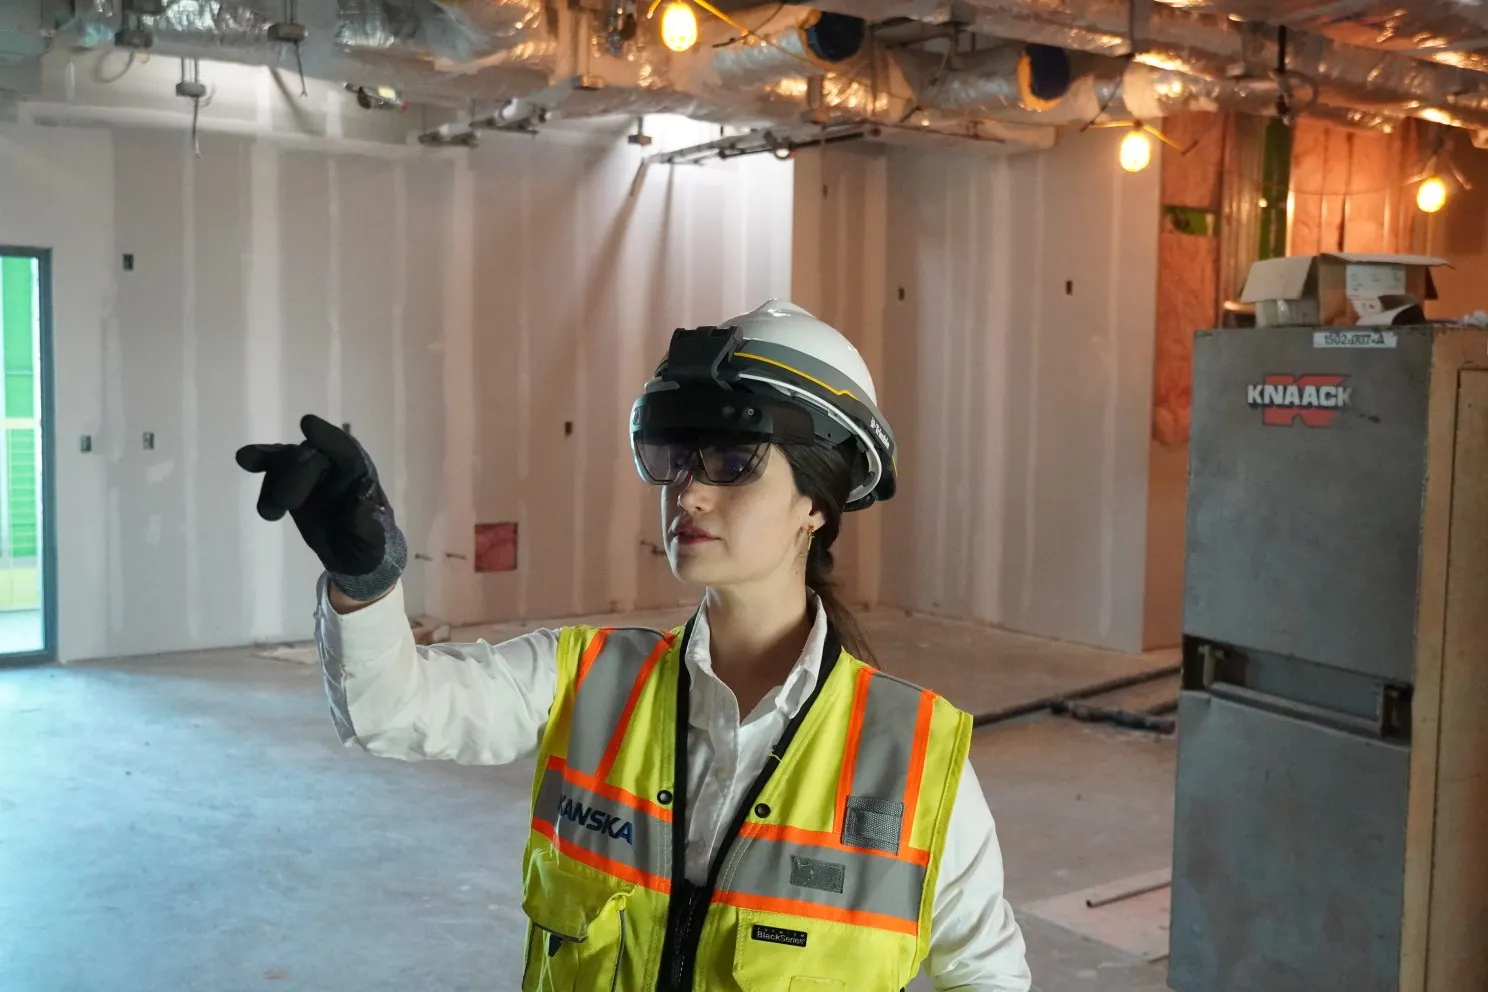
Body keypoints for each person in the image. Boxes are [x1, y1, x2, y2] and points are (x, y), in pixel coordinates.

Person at [237, 300, 1031, 991]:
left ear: (816, 502)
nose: (688, 490)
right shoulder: (586, 680)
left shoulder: (918, 759)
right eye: (676, 458)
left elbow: (986, 976)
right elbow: (390, 711)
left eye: (731, 459)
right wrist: (365, 575)